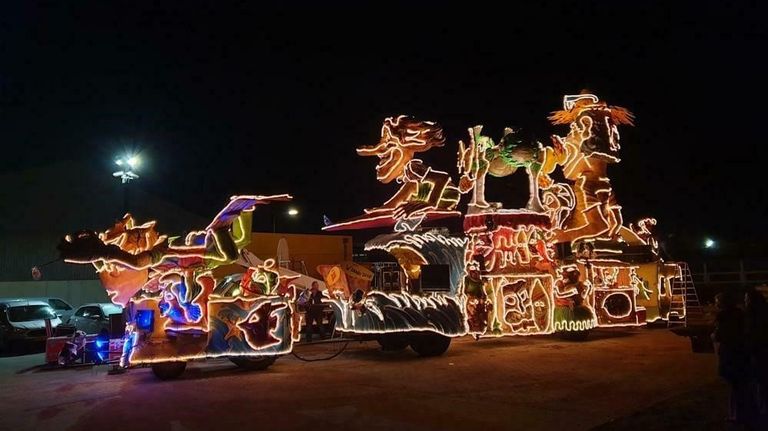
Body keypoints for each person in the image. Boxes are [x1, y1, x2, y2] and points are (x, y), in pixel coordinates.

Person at [711, 291, 748, 424]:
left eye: (717, 302)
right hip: (740, 351)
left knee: (735, 385)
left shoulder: (724, 316)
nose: (716, 305)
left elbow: (720, 335)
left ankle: (737, 415)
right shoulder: (740, 314)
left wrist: (714, 335)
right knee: (739, 385)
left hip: (730, 352)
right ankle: (739, 413)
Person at [744, 287, 768, 426]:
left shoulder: (752, 316)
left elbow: (750, 334)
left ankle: (762, 410)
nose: (745, 302)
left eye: (747, 299)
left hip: (758, 351)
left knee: (760, 381)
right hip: (761, 350)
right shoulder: (762, 312)